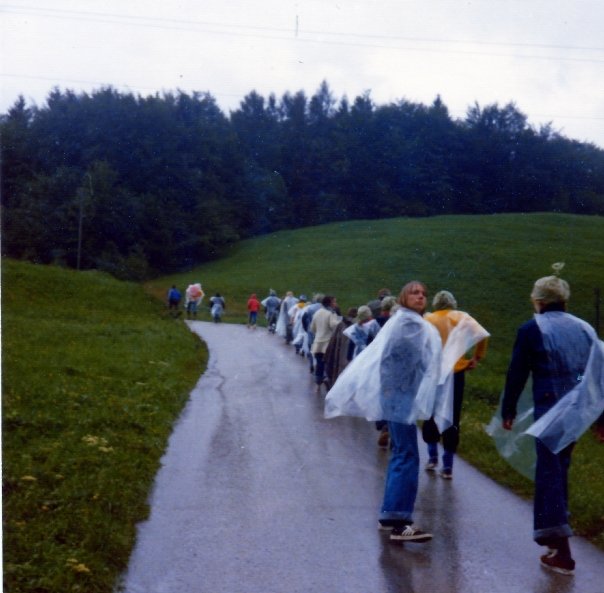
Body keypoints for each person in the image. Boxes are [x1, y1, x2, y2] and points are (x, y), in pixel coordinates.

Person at [500, 269, 603, 575]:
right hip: (578, 413)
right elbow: (599, 375)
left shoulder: (532, 329)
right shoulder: (585, 328)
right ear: (564, 300)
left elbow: (517, 372)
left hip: (549, 410)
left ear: (537, 301)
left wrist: (508, 409)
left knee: (549, 474)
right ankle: (558, 539)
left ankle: (560, 548)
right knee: (559, 471)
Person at [325, 281, 444, 543]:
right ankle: (400, 521)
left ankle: (390, 514)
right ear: (403, 297)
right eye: (415, 292)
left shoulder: (407, 322)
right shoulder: (409, 324)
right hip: (400, 397)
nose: (421, 296)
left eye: (424, 293)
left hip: (399, 396)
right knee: (407, 455)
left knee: (402, 454)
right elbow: (404, 361)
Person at [422, 290, 489, 478]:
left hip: (434, 373)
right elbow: (483, 335)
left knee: (431, 412)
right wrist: (476, 357)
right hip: (457, 371)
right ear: (453, 303)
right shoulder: (462, 317)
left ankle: (432, 457)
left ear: (436, 303)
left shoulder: (429, 319)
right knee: (453, 414)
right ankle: (448, 466)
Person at [310, 295, 341, 393]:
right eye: (334, 302)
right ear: (330, 303)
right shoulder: (331, 314)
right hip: (328, 343)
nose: (336, 304)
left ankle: (318, 382)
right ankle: (327, 380)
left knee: (319, 363)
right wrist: (340, 321)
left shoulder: (317, 313)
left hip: (318, 342)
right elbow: (334, 326)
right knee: (329, 363)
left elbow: (312, 328)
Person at [324, 307, 357, 388]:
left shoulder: (340, 324)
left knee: (337, 371)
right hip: (349, 355)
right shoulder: (356, 326)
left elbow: (332, 339)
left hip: (338, 353)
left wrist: (327, 354)